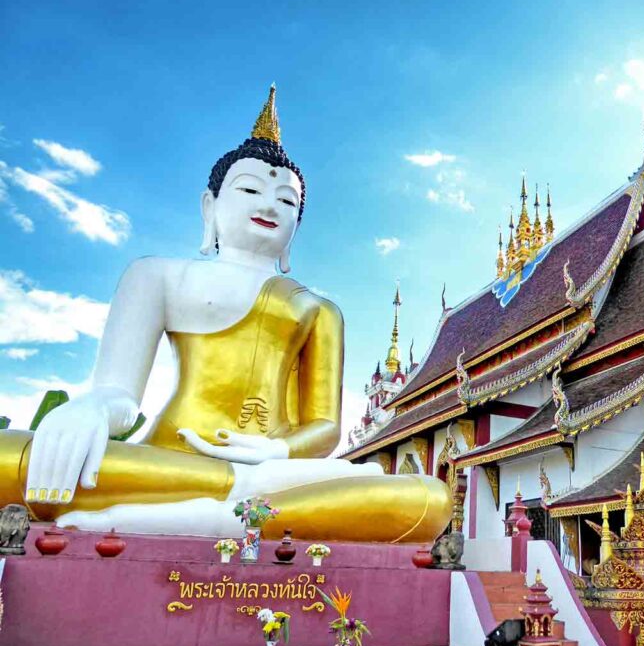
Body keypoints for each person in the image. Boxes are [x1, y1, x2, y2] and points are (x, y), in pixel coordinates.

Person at [0, 86, 451, 542]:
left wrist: (276, 451)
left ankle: (211, 515)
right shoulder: (157, 276)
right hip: (170, 462)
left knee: (430, 498)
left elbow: (325, 428)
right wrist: (92, 409)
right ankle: (245, 505)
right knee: (9, 458)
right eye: (251, 188)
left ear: (296, 227)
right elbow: (118, 393)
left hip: (272, 469)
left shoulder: (317, 309)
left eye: (286, 200)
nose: (269, 204)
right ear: (210, 207)